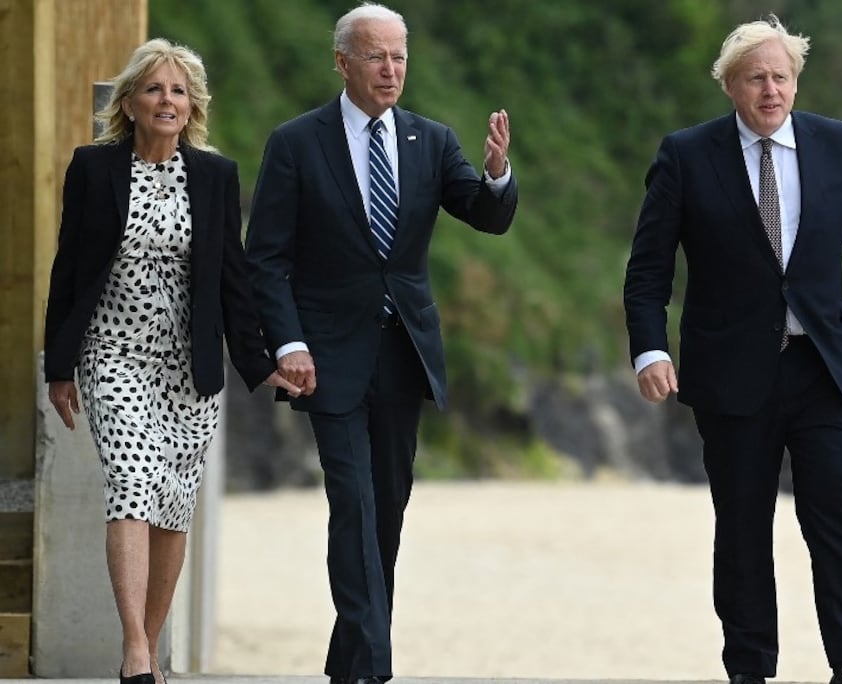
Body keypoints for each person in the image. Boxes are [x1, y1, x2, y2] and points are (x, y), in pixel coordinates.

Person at [623, 15, 842, 684]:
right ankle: (750, 668)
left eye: (781, 76)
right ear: (730, 85)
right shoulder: (686, 154)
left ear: (796, 81)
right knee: (743, 528)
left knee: (836, 518)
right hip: (730, 374)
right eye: (755, 77)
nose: (770, 89)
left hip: (824, 369)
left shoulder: (835, 144)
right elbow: (647, 270)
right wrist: (649, 350)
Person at [243, 4, 517, 682]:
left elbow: (484, 216)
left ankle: (351, 663)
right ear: (343, 61)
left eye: (398, 56)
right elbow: (266, 260)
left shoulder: (431, 139)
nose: (390, 69)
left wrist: (497, 174)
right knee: (354, 504)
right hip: (326, 356)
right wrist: (288, 344)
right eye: (375, 56)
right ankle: (375, 664)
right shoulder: (297, 142)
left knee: (387, 509)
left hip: (404, 352)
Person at [42, 39, 299, 684]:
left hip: (187, 368)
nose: (167, 101)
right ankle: (134, 649)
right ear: (129, 102)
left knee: (173, 506)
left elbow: (232, 280)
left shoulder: (215, 176)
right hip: (113, 353)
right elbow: (69, 267)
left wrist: (259, 360)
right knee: (132, 487)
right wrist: (60, 364)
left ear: (193, 107)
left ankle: (150, 652)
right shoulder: (93, 168)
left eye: (179, 91)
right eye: (154, 89)